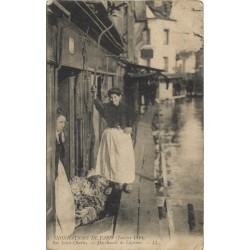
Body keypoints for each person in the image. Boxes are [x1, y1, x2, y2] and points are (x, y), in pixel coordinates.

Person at [93, 87, 137, 193]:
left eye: (115, 97)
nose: (113, 99)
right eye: (111, 97)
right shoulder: (107, 107)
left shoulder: (126, 108)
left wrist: (131, 128)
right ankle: (113, 182)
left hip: (123, 136)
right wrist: (94, 96)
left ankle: (127, 181)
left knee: (125, 158)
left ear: (120, 97)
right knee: (112, 159)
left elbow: (136, 117)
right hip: (111, 136)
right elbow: (99, 107)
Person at [55, 108, 75, 236]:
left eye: (64, 122)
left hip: (58, 166)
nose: (63, 125)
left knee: (64, 196)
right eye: (60, 122)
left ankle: (65, 224)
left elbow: (62, 154)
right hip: (51, 167)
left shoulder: (59, 134)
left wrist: (61, 141)